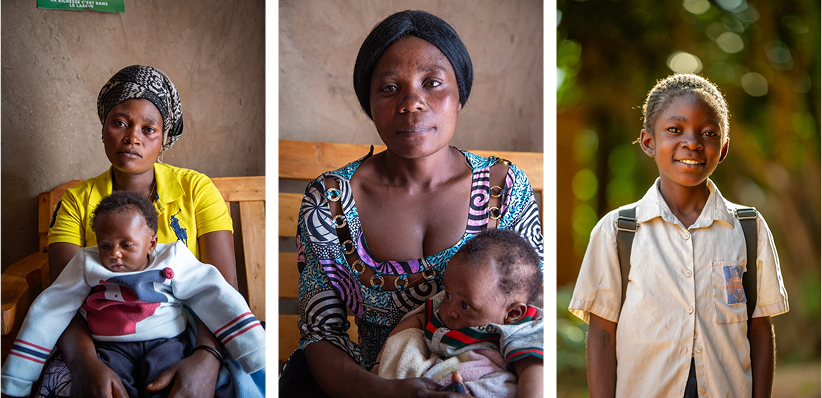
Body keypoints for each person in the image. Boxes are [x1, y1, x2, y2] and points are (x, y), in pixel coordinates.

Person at [279, 10, 544, 398]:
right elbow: (321, 333)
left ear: (460, 95)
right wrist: (388, 392)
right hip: (376, 384)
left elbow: (532, 320)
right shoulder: (331, 201)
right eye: (389, 88)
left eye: (432, 83)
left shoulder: (505, 189)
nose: (412, 102)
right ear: (369, 102)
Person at [41, 65, 261, 397]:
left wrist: (208, 358)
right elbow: (63, 301)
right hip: (102, 340)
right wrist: (86, 363)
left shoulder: (196, 189)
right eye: (120, 123)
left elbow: (224, 290)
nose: (133, 137)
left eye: (149, 129)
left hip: (196, 335)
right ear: (103, 129)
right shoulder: (76, 202)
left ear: (164, 140)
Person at [568, 73, 789, 397]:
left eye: (708, 133)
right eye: (675, 129)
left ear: (723, 148)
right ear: (648, 141)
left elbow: (758, 328)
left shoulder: (748, 227)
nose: (693, 142)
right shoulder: (618, 231)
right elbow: (602, 333)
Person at [0, 191, 266, 398]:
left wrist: (254, 348)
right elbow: (51, 308)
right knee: (113, 390)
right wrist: (17, 379)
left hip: (166, 342)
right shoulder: (87, 263)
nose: (114, 253)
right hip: (110, 346)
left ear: (151, 243)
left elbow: (212, 291)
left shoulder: (172, 257)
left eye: (126, 245)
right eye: (105, 245)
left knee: (166, 386)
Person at [371, 229, 544, 398]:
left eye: (465, 306)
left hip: (487, 384)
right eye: (448, 294)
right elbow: (417, 320)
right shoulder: (447, 305)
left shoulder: (520, 330)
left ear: (512, 313)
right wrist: (378, 365)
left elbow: (534, 372)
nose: (450, 311)